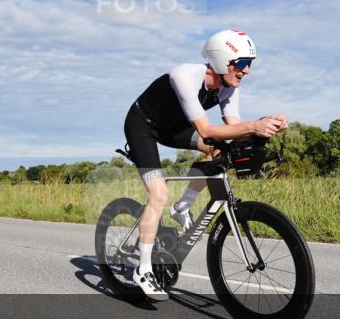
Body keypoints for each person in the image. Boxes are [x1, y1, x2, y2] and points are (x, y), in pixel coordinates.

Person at [123, 29, 288, 301]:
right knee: (158, 194)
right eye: (243, 64)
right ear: (223, 61)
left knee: (219, 150)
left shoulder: (229, 88)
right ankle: (142, 269)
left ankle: (184, 206)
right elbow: (205, 129)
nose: (247, 71)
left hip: (174, 128)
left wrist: (266, 125)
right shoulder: (185, 76)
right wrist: (253, 126)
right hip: (142, 126)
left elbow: (233, 129)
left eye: (250, 65)